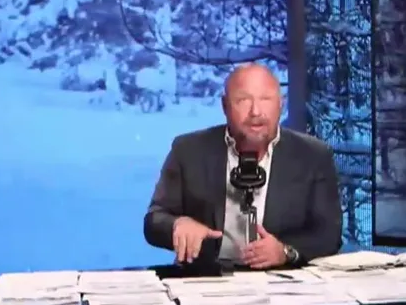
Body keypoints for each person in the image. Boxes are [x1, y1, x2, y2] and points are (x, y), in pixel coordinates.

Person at [143, 64, 342, 269]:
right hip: (205, 277)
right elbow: (154, 221)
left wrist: (285, 251)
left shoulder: (313, 155)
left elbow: (329, 235)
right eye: (243, 100)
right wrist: (178, 225)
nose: (255, 111)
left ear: (281, 104)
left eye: (265, 99)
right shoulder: (188, 150)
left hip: (282, 279)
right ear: (225, 106)